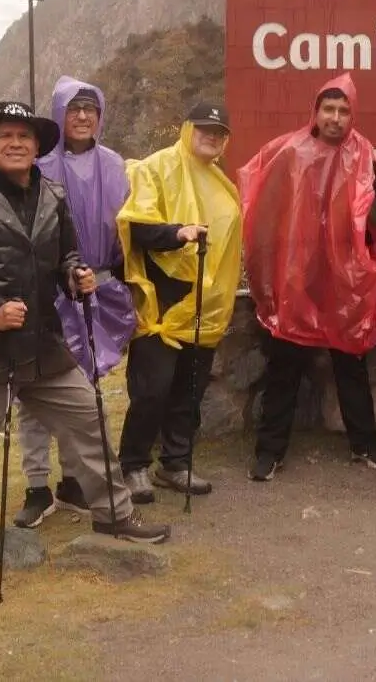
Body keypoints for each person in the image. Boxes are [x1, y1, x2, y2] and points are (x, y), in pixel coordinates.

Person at [0, 102, 169, 594]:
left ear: (37, 146)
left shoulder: (53, 195)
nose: (16, 143)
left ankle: (114, 515)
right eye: (5, 135)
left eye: (25, 136)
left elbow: (66, 255)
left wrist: (75, 276)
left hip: (42, 342)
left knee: (86, 419)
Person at [241, 75, 376, 477]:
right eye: (328, 109)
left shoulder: (366, 156)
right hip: (298, 277)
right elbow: (262, 208)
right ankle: (270, 450)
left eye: (343, 110)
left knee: (351, 364)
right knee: (285, 365)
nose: (335, 117)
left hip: (343, 281)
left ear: (352, 115)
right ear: (316, 111)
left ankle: (364, 443)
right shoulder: (290, 152)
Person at [13, 77, 136, 529]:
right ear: (59, 114)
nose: (83, 116)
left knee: (82, 392)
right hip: (47, 292)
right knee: (33, 390)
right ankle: (36, 484)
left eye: (91, 108)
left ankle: (71, 481)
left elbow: (126, 223)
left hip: (97, 290)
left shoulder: (114, 164)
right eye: (74, 108)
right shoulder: (40, 166)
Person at [116, 102, 243, 501]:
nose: (212, 136)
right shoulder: (155, 167)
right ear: (188, 128)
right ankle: (134, 465)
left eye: (220, 131)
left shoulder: (222, 184)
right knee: (151, 388)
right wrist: (178, 234)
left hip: (204, 304)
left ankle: (176, 462)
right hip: (162, 299)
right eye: (205, 128)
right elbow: (136, 227)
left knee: (190, 387)